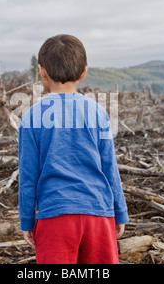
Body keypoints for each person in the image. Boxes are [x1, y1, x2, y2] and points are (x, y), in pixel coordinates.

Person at [18, 34, 129, 264]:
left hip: (54, 216)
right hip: (98, 213)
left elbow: (28, 176)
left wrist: (27, 221)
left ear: (42, 72)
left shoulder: (31, 117)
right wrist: (120, 211)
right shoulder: (98, 113)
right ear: (83, 72)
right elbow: (110, 167)